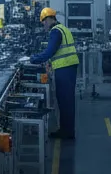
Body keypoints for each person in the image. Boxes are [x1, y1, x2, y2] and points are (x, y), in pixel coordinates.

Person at [27, 8, 79, 140]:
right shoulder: (62, 28)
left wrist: (33, 59)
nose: (43, 25)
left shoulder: (55, 31)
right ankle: (67, 130)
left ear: (49, 19)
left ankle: (67, 132)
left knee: (65, 100)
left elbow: (49, 51)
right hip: (68, 67)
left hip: (65, 68)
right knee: (67, 100)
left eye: (43, 22)